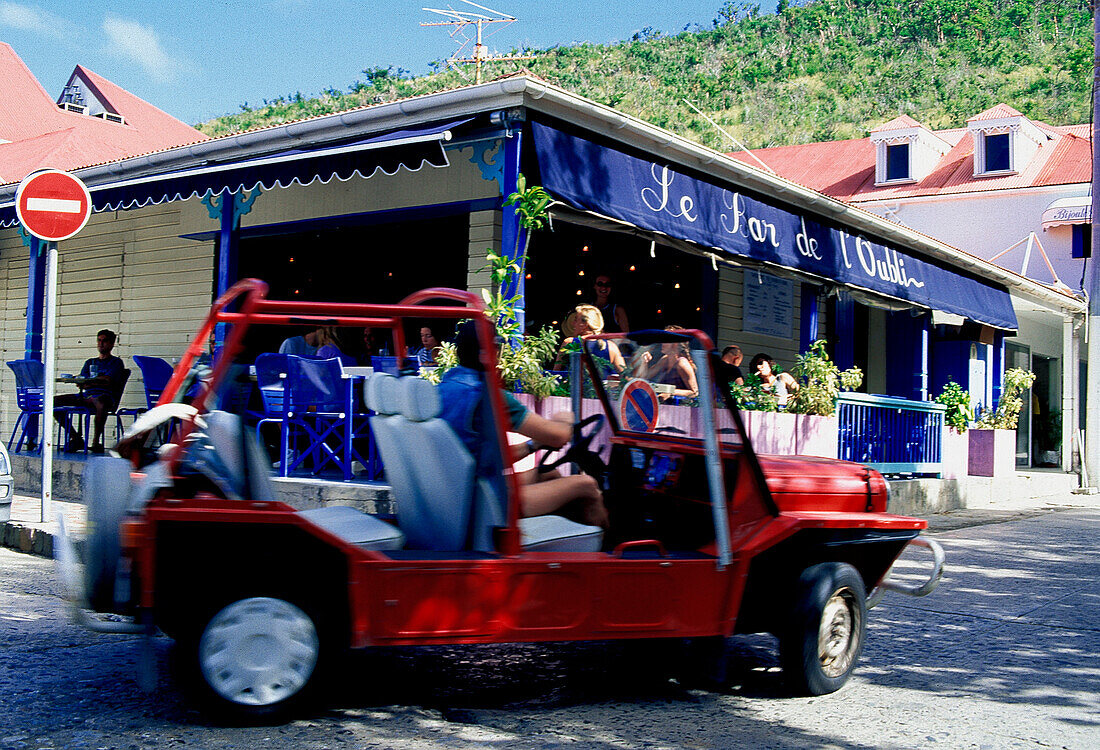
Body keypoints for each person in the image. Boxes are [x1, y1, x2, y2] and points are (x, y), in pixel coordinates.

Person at [438, 321, 608, 528]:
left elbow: (486, 457)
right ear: (492, 350)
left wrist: (533, 445)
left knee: (547, 473)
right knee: (587, 485)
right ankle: (611, 553)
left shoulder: (444, 389)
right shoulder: (487, 396)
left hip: (461, 492)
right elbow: (559, 436)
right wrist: (565, 419)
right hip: (484, 502)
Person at [54, 329, 126, 453]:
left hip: (105, 397)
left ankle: (95, 442)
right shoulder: (90, 362)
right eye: (99, 340)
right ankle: (75, 438)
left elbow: (108, 380)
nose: (101, 343)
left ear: (112, 343)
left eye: (105, 341)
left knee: (100, 402)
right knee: (54, 402)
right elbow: (82, 381)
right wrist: (94, 380)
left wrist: (91, 381)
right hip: (85, 395)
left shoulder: (116, 362)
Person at [554, 304, 626, 375]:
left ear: (585, 325)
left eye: (576, 320)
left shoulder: (569, 342)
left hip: (576, 386)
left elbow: (555, 374)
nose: (573, 323)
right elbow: (625, 375)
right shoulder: (611, 346)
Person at [638, 325, 699, 401]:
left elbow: (694, 392)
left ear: (675, 343)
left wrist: (670, 393)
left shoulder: (682, 363)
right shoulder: (665, 360)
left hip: (680, 409)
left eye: (665, 340)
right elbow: (645, 377)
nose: (662, 343)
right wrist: (644, 362)